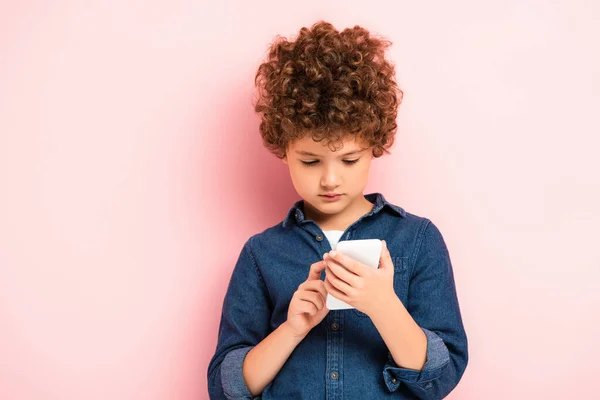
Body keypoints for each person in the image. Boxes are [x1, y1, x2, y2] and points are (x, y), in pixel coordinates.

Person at [207, 20, 468, 399]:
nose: (330, 180)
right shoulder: (261, 254)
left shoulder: (418, 240)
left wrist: (383, 305)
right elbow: (226, 387)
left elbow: (441, 378)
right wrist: (292, 329)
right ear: (284, 151)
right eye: (311, 162)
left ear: (374, 146)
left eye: (349, 160)